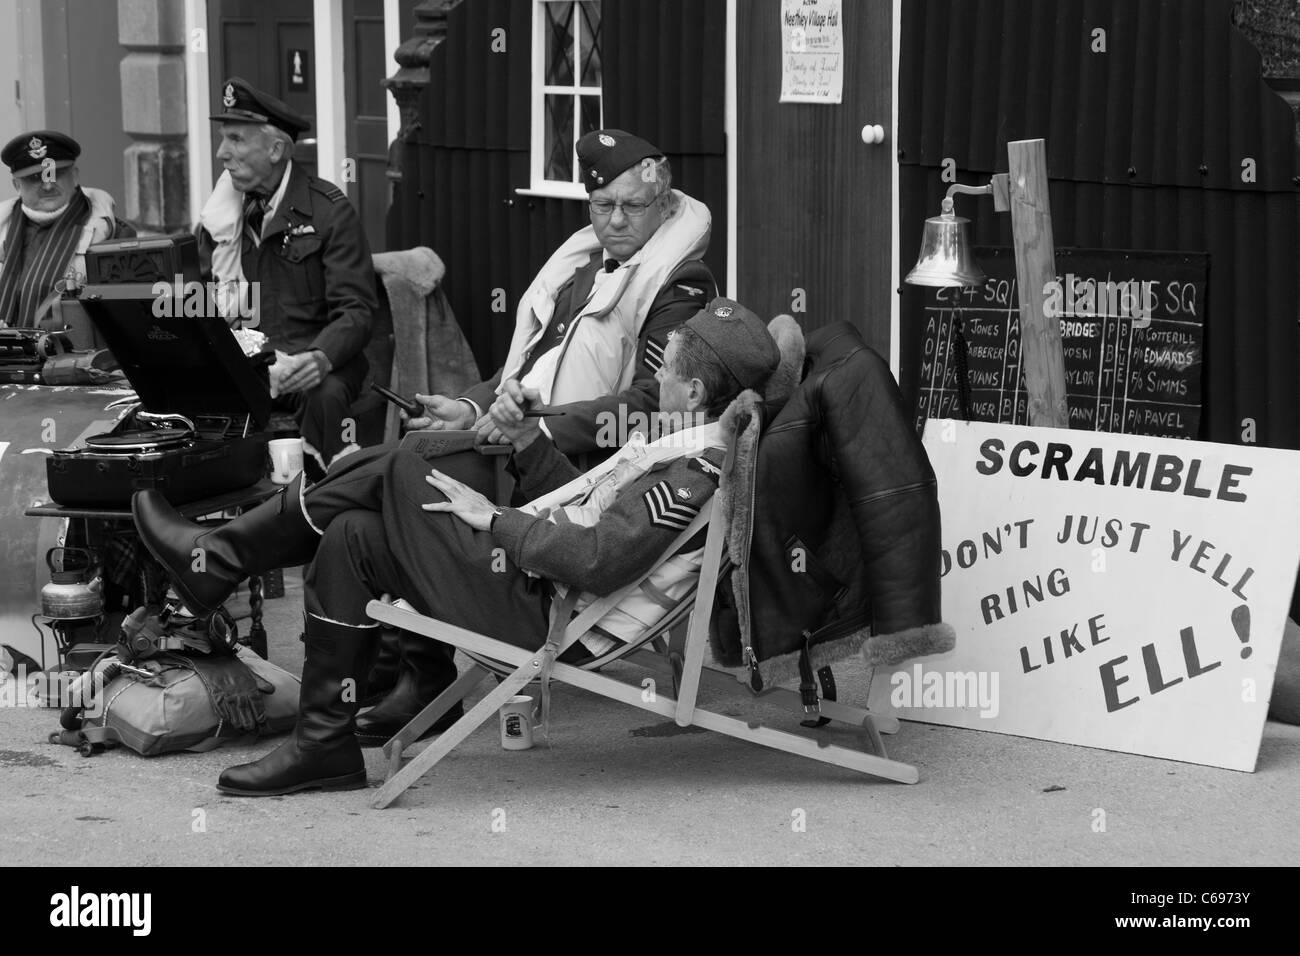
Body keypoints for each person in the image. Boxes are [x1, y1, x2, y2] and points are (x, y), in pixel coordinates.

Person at [131, 298, 778, 796]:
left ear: (693, 393)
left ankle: (216, 559)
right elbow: (576, 508)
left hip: (542, 615)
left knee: (408, 461)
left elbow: (593, 559)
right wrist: (526, 438)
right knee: (355, 535)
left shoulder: (693, 476)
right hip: (530, 591)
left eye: (666, 368)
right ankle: (324, 745)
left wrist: (494, 520)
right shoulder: (675, 448)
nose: (655, 374)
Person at [364, 127, 717, 743]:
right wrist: (470, 405)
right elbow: (528, 365)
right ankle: (400, 665)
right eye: (602, 205)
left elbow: (653, 406)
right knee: (390, 468)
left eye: (633, 206)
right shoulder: (581, 266)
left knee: (403, 467)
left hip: (583, 465)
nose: (615, 220)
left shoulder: (682, 283)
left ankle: (414, 670)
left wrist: (531, 422)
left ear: (665, 203)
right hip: (524, 439)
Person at [196, 77, 376, 477]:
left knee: (324, 396)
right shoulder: (220, 219)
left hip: (313, 359)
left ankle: (326, 509)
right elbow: (201, 299)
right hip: (248, 364)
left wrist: (322, 356)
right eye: (224, 139)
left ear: (276, 149)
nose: (222, 153)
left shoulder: (329, 212)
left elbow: (357, 311)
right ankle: (221, 513)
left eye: (236, 140)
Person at [0, 130, 133, 328]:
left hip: (76, 354)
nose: (47, 186)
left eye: (56, 174)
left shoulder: (114, 235)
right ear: (16, 185)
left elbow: (126, 315)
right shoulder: (4, 228)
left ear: (75, 176)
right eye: (36, 177)